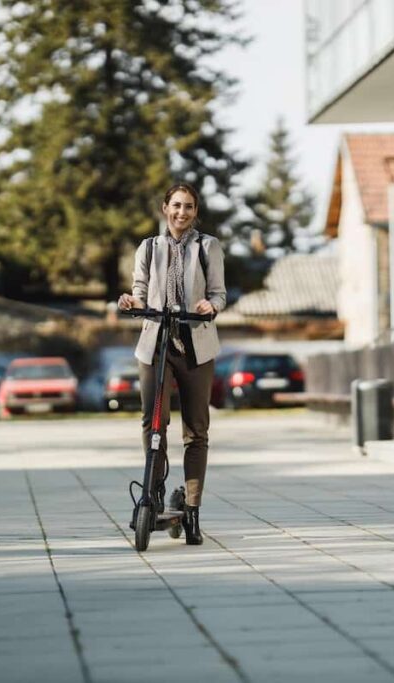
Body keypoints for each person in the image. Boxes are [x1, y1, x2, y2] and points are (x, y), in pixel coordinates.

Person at [117, 183, 226, 545]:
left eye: (189, 207)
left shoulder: (208, 247)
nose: (182, 212)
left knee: (196, 431)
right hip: (156, 343)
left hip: (196, 344)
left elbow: (218, 293)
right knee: (154, 423)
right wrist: (132, 302)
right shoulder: (149, 247)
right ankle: (154, 494)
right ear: (165, 208)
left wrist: (211, 306)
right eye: (176, 205)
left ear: (196, 212)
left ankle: (192, 511)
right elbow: (140, 289)